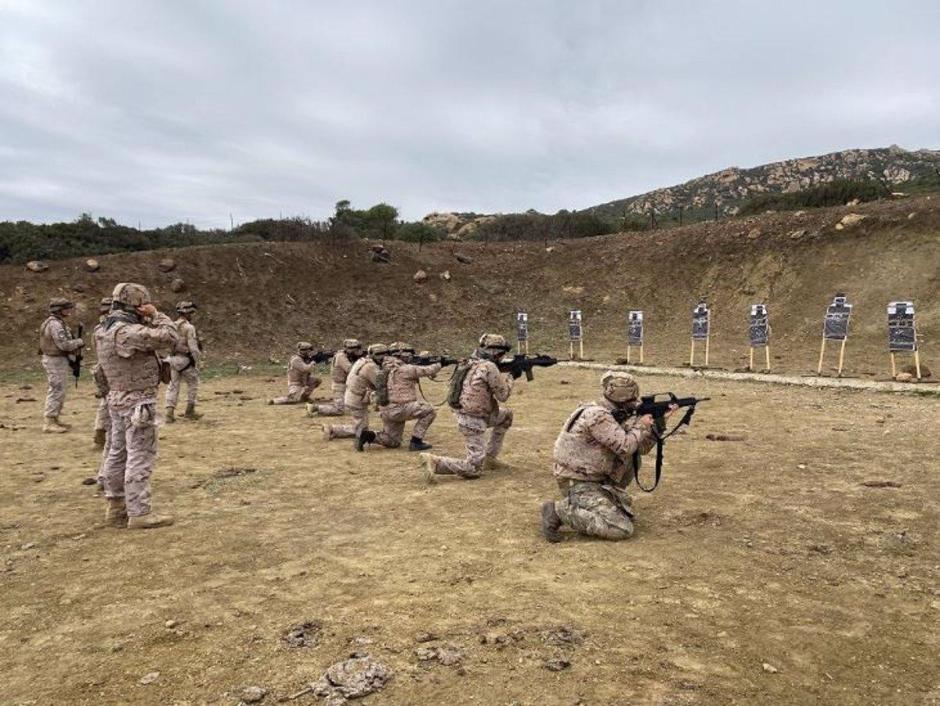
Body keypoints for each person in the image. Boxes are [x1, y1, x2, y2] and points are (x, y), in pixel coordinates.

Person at [540, 371, 674, 543]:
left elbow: (640, 449)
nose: (637, 403)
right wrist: (641, 425)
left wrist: (660, 423)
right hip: (577, 481)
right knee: (621, 528)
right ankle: (558, 511)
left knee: (626, 504)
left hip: (594, 479)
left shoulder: (615, 413)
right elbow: (625, 446)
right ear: (622, 400)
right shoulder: (598, 415)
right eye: (633, 400)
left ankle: (598, 498)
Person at [96, 282, 179, 529]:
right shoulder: (128, 332)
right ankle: (140, 512)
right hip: (138, 402)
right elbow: (170, 336)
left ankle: (116, 507)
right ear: (138, 305)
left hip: (116, 399)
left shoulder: (102, 330)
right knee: (140, 456)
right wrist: (156, 314)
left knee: (116, 452)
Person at [419, 333, 514, 480]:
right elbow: (503, 395)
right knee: (473, 468)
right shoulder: (489, 367)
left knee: (506, 415)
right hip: (473, 419)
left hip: (469, 414)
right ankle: (436, 463)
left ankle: (490, 458)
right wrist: (511, 377)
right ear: (497, 352)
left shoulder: (469, 362)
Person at [368, 341, 443, 452]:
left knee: (393, 441)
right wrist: (440, 363)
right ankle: (416, 441)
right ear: (401, 354)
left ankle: (369, 436)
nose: (411, 356)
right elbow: (428, 370)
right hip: (401, 408)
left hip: (386, 409)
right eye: (408, 354)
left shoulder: (385, 367)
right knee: (430, 411)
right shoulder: (405, 369)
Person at [324, 343, 390, 450]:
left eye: (383, 354)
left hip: (352, 396)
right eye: (379, 354)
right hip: (357, 399)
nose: (382, 357)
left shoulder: (362, 361)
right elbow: (379, 384)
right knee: (361, 431)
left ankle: (334, 430)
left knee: (360, 425)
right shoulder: (370, 367)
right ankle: (334, 429)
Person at [38, 297, 85, 433]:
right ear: (59, 310)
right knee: (57, 389)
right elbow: (63, 345)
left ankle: (54, 419)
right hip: (55, 360)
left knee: (60, 389)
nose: (69, 311)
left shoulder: (56, 323)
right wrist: (79, 342)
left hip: (57, 360)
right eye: (66, 308)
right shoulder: (55, 325)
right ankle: (49, 421)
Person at [164, 300, 203, 422]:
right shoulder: (189, 328)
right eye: (191, 313)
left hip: (173, 360)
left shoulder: (171, 326)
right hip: (186, 360)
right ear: (187, 313)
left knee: (173, 386)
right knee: (193, 384)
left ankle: (169, 413)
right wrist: (198, 361)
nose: (192, 315)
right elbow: (193, 347)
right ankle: (190, 410)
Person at [308, 339, 363, 416]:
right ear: (345, 348)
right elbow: (351, 369)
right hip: (340, 386)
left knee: (357, 405)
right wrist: (362, 362)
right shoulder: (341, 356)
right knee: (339, 410)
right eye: (350, 348)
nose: (353, 350)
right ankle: (314, 408)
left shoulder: (348, 356)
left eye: (355, 348)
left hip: (348, 386)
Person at [92, 297, 113, 447]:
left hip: (101, 367)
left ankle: (100, 431)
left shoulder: (97, 329)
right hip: (112, 370)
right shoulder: (115, 328)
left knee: (105, 401)